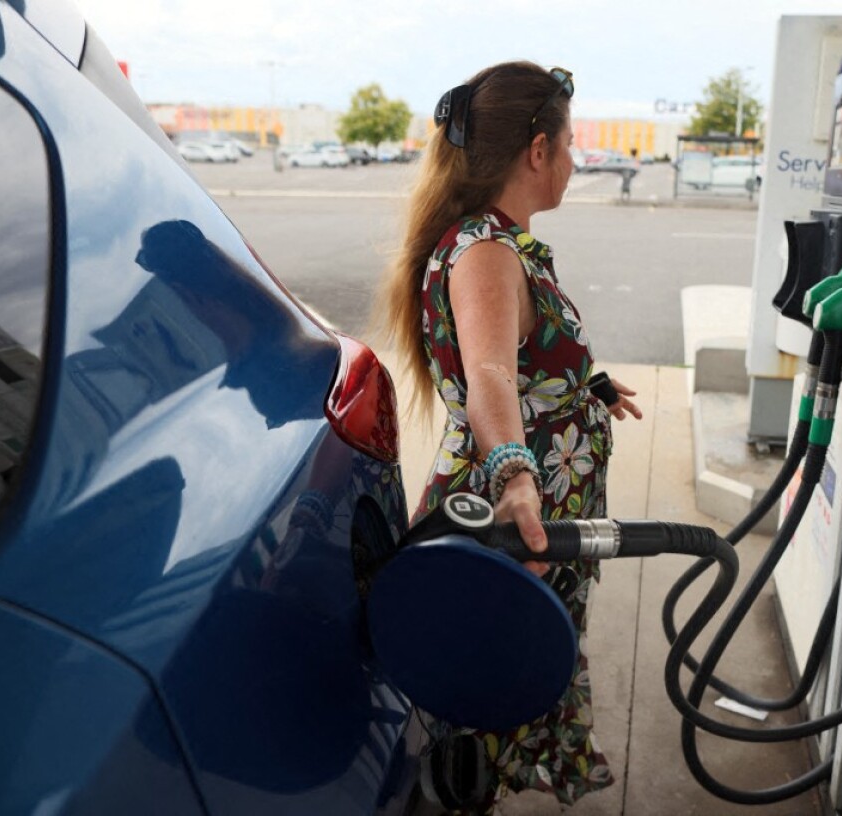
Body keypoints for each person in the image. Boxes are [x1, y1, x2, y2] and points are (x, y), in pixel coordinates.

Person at [373, 61, 642, 813]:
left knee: (503, 673)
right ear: (537, 150)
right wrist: (518, 479)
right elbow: (490, 375)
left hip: (534, 518)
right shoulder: (486, 251)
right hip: (510, 518)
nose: (575, 159)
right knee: (484, 695)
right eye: (569, 143)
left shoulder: (497, 241)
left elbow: (519, 356)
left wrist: (584, 385)